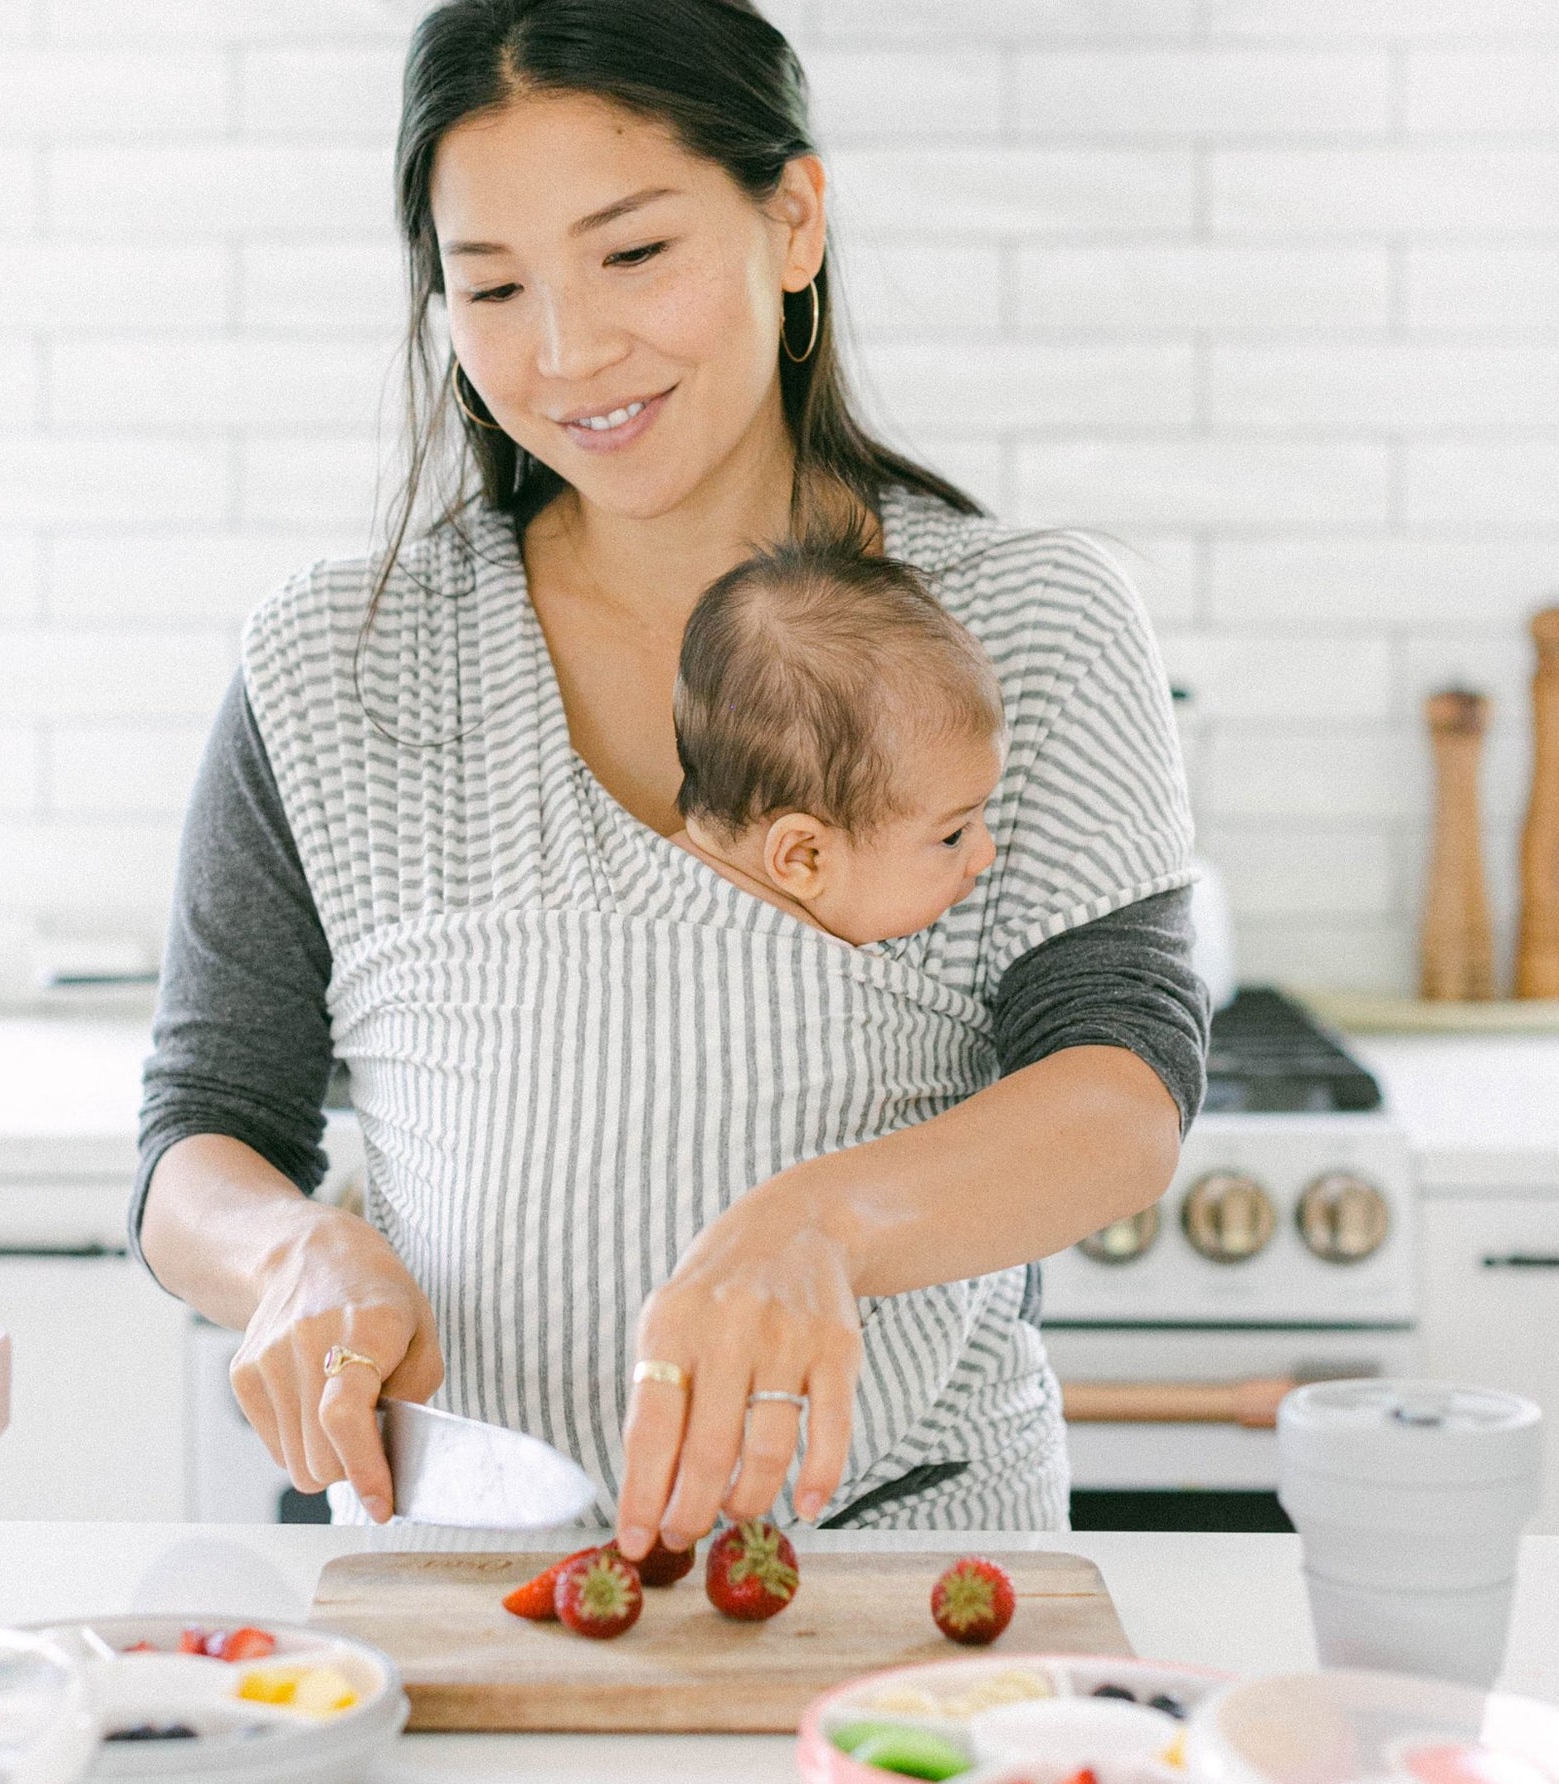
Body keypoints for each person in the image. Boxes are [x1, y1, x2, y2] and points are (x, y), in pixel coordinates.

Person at [134, 0, 1208, 1555]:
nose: (567, 352)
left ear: (792, 219)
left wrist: (819, 1222)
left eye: (631, 255)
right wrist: (286, 1250)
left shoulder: (1028, 624)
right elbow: (199, 1131)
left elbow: (1122, 1093)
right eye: (490, 286)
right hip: (457, 1557)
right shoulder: (332, 660)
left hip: (901, 1568)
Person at [668, 537, 1005, 948]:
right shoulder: (822, 999)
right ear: (804, 857)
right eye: (953, 834)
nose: (987, 853)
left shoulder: (609, 884)